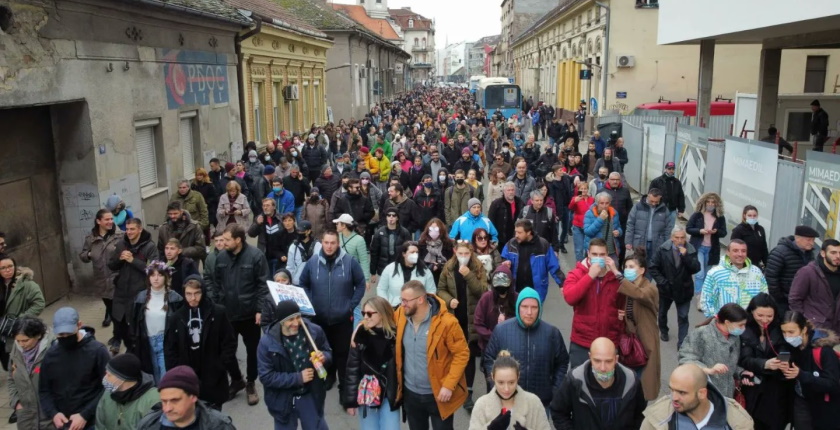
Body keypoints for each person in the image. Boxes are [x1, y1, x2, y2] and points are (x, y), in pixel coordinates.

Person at [206, 224, 270, 406]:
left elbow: (263, 285)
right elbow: (217, 283)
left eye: (226, 240)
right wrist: (218, 305)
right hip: (227, 314)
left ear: (238, 240)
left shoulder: (256, 256)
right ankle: (236, 379)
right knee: (226, 352)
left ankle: (250, 383)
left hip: (250, 314)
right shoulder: (221, 258)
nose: (222, 243)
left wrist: (259, 309)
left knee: (252, 351)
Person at [396, 280, 470, 430]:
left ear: (420, 299)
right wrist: (360, 327)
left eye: (405, 300)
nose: (402, 304)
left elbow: (461, 354)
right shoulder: (400, 315)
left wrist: (449, 386)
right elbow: (381, 319)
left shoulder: (448, 323)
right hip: (411, 395)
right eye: (401, 300)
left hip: (438, 396)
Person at [300, 230, 366, 391]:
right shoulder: (313, 262)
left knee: (342, 354)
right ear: (322, 243)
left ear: (338, 244)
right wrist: (310, 303)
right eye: (326, 242)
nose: (329, 246)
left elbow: (361, 284)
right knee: (323, 352)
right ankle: (329, 377)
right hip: (319, 319)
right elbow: (303, 283)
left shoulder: (350, 262)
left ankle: (344, 386)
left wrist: (351, 305)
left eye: (333, 243)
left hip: (342, 318)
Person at [484, 286, 569, 410]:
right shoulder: (501, 331)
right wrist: (497, 386)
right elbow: (488, 359)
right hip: (508, 403)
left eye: (534, 307)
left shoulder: (552, 333)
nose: (529, 312)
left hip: (541, 405)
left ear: (539, 309)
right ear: (518, 307)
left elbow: (562, 363)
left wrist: (554, 391)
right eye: (524, 307)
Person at [165, 275, 242, 410]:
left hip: (213, 376)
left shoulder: (217, 313)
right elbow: (171, 348)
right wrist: (177, 372)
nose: (193, 298)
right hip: (187, 377)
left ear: (203, 292)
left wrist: (221, 364)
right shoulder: (177, 318)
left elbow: (229, 341)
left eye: (197, 293)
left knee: (213, 418)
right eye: (188, 294)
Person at [257, 301, 331, 430]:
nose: (296, 323)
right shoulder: (267, 343)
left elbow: (328, 351)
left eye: (298, 317)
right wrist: (297, 378)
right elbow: (266, 376)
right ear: (281, 321)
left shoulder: (314, 331)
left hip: (309, 394)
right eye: (290, 319)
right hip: (283, 399)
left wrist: (324, 357)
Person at [38, 307, 111, 430]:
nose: (65, 337)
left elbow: (108, 387)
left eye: (69, 333)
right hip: (63, 422)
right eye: (61, 334)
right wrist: (54, 414)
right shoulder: (51, 355)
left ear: (79, 325)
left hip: (92, 421)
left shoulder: (98, 351)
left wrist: (85, 415)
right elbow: (44, 390)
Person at [551, 337, 645, 429]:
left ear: (616, 359)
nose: (603, 368)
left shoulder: (631, 381)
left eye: (608, 361)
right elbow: (559, 412)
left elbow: (640, 414)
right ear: (590, 357)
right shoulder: (574, 380)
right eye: (597, 361)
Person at [437, 241, 488, 411]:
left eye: (467, 254)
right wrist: (448, 300)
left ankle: (468, 394)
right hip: (454, 318)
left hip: (472, 319)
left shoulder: (478, 267)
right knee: (453, 355)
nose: (464, 257)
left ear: (471, 253)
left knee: (469, 356)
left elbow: (483, 291)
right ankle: (451, 387)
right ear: (455, 252)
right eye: (461, 254)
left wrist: (469, 275)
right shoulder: (449, 268)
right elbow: (441, 289)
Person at [563, 238, 625, 368]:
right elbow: (570, 298)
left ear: (607, 255)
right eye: (595, 254)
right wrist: (590, 276)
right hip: (582, 341)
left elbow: (623, 303)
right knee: (579, 382)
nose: (598, 257)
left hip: (609, 341)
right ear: (588, 254)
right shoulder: (576, 274)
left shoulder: (615, 277)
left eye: (602, 254)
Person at [342, 296, 400, 429]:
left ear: (382, 313)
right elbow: (352, 369)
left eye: (369, 313)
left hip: (388, 395)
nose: (365, 317)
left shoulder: (396, 335)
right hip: (367, 395)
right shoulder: (360, 335)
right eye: (363, 313)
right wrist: (350, 402)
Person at [737, 293, 792, 430]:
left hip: (776, 386)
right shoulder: (744, 329)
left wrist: (783, 362)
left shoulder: (780, 327)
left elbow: (786, 349)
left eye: (769, 316)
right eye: (760, 315)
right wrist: (764, 364)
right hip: (752, 384)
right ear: (751, 312)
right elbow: (744, 359)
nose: (765, 320)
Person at [641, 363, 754, 430]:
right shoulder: (657, 419)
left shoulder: (737, 421)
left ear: (702, 393)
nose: (674, 397)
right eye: (672, 390)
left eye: (682, 392)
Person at [614, 248, 661, 400]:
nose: (627, 270)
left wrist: (618, 275)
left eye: (631, 267)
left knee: (642, 385)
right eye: (625, 267)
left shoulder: (649, 288)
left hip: (646, 340)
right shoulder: (630, 286)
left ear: (642, 270)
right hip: (631, 342)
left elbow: (641, 295)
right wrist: (624, 316)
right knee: (629, 383)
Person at [780, 310, 840, 429]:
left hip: (823, 406)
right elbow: (783, 361)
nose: (787, 336)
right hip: (801, 402)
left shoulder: (824, 350)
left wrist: (802, 375)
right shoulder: (789, 347)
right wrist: (781, 365)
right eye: (784, 332)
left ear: (804, 330)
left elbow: (832, 383)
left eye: (791, 332)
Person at [108, 218, 158, 355]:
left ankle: (137, 356)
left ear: (140, 229)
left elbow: (154, 271)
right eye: (127, 229)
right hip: (121, 294)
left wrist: (133, 261)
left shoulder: (150, 247)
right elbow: (111, 265)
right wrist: (120, 259)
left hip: (139, 294)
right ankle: (129, 351)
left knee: (136, 331)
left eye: (132, 229)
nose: (129, 232)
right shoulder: (121, 245)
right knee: (120, 326)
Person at [679, 303, 749, 397]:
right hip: (703, 391)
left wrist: (741, 372)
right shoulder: (701, 334)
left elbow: (730, 365)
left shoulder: (735, 337)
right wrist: (708, 370)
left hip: (727, 393)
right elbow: (686, 359)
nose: (743, 328)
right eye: (741, 325)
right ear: (727, 322)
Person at [469, 350, 552, 430]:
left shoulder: (534, 403)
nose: (506, 389)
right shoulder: (481, 405)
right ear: (492, 377)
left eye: (511, 382)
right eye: (501, 382)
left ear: (518, 376)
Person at [131, 260, 184, 383]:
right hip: (147, 341)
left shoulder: (175, 298)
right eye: (152, 275)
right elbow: (135, 323)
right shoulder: (141, 297)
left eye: (160, 275)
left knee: (166, 376)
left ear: (166, 278)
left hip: (165, 342)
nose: (156, 278)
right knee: (152, 376)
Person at [137, 365, 236, 429]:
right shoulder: (148, 426)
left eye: (175, 400)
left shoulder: (219, 426)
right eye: (164, 401)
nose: (167, 408)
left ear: (193, 397)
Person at [649, 227, 701, 348]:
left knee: (683, 316)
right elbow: (653, 267)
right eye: (677, 238)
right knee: (662, 312)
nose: (679, 240)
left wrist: (686, 256)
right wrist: (662, 282)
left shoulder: (690, 250)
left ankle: (682, 342)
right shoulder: (663, 249)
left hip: (684, 289)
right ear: (672, 238)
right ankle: (664, 330)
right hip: (666, 289)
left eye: (682, 237)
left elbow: (696, 268)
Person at [500, 218, 565, 301]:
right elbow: (503, 259)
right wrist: (505, 263)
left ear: (528, 232)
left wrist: (562, 284)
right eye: (515, 232)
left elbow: (554, 267)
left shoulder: (543, 245)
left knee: (533, 313)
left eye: (519, 232)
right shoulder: (511, 244)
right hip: (515, 292)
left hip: (536, 292)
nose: (516, 235)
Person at [8, 316, 54, 429]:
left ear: (38, 335)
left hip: (50, 415)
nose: (21, 344)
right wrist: (16, 402)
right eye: (18, 340)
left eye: (25, 340)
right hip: (25, 415)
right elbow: (11, 378)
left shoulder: (53, 350)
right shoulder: (16, 349)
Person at [80, 209, 124, 328]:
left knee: (117, 308)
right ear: (98, 221)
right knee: (108, 302)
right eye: (107, 219)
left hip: (116, 276)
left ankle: (118, 334)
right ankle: (109, 313)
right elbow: (83, 255)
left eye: (111, 219)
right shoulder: (91, 238)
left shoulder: (120, 236)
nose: (110, 221)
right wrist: (89, 255)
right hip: (101, 277)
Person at [702, 240, 769, 318]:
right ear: (728, 252)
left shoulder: (756, 272)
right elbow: (706, 299)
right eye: (735, 251)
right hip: (726, 323)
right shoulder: (715, 273)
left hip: (751, 323)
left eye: (743, 251)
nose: (740, 254)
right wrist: (716, 319)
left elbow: (764, 296)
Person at [0, 255, 46, 369]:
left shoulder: (26, 284)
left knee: (17, 365)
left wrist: (21, 319)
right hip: (1, 331)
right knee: (7, 365)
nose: (8, 270)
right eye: (3, 268)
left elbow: (39, 303)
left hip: (17, 331)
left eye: (10, 266)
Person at [95, 353, 160, 429]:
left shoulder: (153, 400)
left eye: (109, 375)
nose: (105, 378)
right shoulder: (107, 395)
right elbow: (100, 426)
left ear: (122, 378)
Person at [789, 238, 840, 333]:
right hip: (815, 327)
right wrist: (804, 322)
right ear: (823, 253)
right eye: (833, 253)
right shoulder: (808, 272)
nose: (838, 256)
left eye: (839, 253)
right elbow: (795, 299)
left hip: (837, 329)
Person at [766, 225, 818, 315]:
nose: (812, 243)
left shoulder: (810, 255)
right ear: (797, 238)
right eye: (808, 240)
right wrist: (781, 297)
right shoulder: (780, 252)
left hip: (801, 301)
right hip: (782, 302)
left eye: (813, 240)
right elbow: (771, 278)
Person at [686, 192, 727, 303]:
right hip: (699, 247)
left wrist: (716, 231)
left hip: (711, 249)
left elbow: (724, 232)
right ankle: (699, 296)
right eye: (708, 202)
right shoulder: (697, 215)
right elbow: (688, 228)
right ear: (704, 202)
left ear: (716, 204)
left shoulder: (720, 217)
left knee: (707, 275)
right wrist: (700, 231)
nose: (710, 204)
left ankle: (705, 295)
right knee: (700, 273)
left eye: (713, 202)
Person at [377, 241, 437, 307]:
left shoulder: (425, 271)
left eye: (417, 252)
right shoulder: (390, 269)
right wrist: (386, 305)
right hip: (393, 308)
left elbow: (431, 291)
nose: (415, 255)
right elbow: (381, 289)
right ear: (404, 254)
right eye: (412, 252)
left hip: (417, 309)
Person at [370, 207, 412, 281]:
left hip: (400, 268)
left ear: (397, 218)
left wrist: (409, 269)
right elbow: (374, 253)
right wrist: (373, 272)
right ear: (386, 217)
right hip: (383, 269)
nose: (391, 217)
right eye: (388, 215)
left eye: (394, 215)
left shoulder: (404, 233)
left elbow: (409, 252)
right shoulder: (379, 233)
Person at [247, 199, 286, 275]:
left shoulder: (281, 218)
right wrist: (257, 224)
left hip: (278, 255)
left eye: (268, 205)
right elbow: (251, 234)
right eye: (264, 206)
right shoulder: (260, 218)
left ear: (274, 207)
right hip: (264, 254)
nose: (265, 208)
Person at [624, 188, 670, 253]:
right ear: (648, 196)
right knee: (640, 262)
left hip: (657, 243)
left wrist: (667, 244)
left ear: (660, 198)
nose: (654, 204)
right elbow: (630, 224)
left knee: (654, 262)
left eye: (656, 202)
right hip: (639, 243)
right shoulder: (637, 207)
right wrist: (628, 242)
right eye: (652, 201)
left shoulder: (664, 210)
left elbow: (667, 229)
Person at [583, 192, 623, 264]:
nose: (604, 206)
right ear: (597, 203)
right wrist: (600, 219)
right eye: (602, 203)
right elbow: (587, 232)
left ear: (610, 203)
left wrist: (619, 232)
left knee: (612, 273)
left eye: (607, 203)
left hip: (611, 251)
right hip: (596, 252)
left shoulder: (614, 213)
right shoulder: (590, 213)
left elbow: (619, 227)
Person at [730, 205, 770, 270]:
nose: (752, 218)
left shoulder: (760, 229)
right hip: (743, 265)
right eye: (750, 215)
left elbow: (764, 249)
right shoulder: (738, 230)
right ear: (744, 215)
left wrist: (767, 265)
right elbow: (733, 249)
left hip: (756, 265)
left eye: (754, 216)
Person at [648, 161, 685, 229]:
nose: (671, 170)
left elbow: (681, 196)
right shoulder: (656, 181)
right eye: (669, 168)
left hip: (672, 210)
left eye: (673, 169)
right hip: (660, 209)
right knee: (658, 228)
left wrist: (681, 210)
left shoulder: (677, 182)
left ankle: (667, 240)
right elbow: (650, 195)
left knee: (670, 229)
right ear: (665, 169)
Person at [488, 182, 523, 248]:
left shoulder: (520, 203)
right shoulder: (496, 204)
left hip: (516, 238)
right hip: (500, 239)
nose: (511, 192)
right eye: (508, 190)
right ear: (504, 191)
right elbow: (491, 221)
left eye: (512, 190)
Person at [286, 221, 321, 285]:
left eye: (302, 231)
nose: (299, 233)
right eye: (298, 231)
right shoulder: (293, 246)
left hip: (313, 283)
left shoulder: (317, 245)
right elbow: (290, 266)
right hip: (297, 282)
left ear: (308, 231)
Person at [568, 182, 594, 262]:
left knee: (588, 248)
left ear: (588, 189)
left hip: (589, 227)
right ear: (578, 190)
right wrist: (574, 201)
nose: (583, 191)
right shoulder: (575, 198)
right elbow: (570, 207)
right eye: (581, 189)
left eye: (585, 189)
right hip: (578, 226)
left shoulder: (592, 199)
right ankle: (579, 266)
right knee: (579, 249)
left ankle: (587, 263)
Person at [192, 168, 219, 235]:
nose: (199, 177)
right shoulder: (194, 185)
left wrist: (206, 202)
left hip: (208, 208)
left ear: (204, 175)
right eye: (197, 175)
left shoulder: (209, 185)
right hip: (197, 208)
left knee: (206, 225)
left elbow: (214, 197)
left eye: (201, 175)